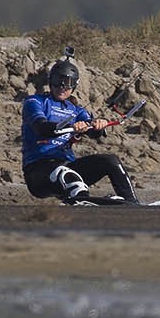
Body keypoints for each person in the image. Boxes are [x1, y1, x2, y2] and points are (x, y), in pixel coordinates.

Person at [20, 50, 140, 205]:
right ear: (50, 81)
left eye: (68, 83)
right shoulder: (34, 102)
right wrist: (72, 127)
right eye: (58, 81)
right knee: (65, 174)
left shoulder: (77, 110)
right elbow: (42, 128)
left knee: (110, 161)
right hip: (38, 172)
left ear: (74, 86)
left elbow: (95, 133)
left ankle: (132, 203)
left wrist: (98, 125)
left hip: (67, 164)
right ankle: (81, 200)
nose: (62, 86)